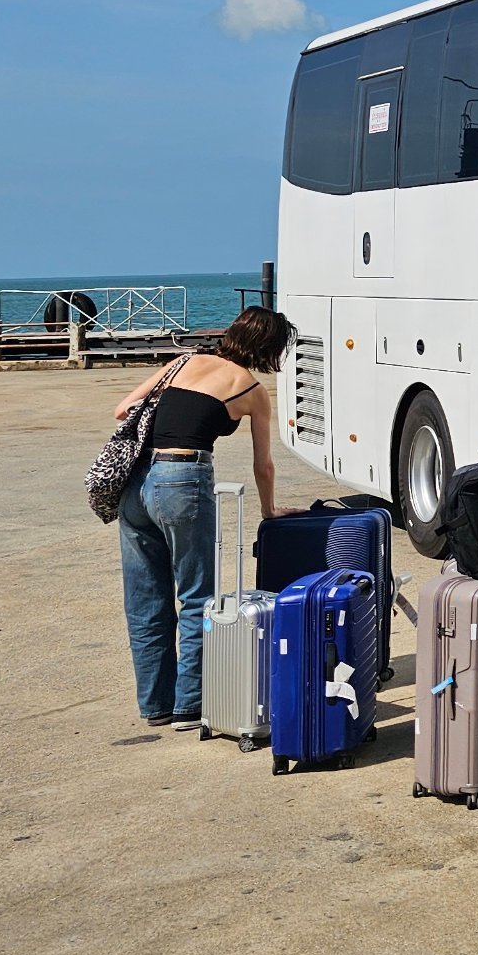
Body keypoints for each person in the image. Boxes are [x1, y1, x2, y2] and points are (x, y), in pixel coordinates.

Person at [111, 305, 297, 729]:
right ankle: (188, 706)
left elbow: (123, 410)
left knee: (145, 599)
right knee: (197, 596)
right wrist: (269, 509)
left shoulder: (183, 361)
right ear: (268, 347)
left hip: (136, 484)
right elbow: (263, 465)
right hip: (182, 480)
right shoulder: (251, 389)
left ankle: (155, 705)